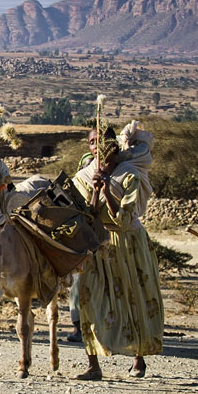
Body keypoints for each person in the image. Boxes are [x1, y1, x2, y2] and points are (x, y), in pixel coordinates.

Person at [72, 125, 163, 380]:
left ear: (114, 146)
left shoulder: (129, 175)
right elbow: (86, 216)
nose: (97, 148)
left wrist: (106, 191)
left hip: (127, 243)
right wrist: (94, 192)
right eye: (92, 143)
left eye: (102, 142)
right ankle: (93, 364)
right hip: (98, 244)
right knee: (89, 299)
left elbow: (124, 219)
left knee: (133, 297)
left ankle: (138, 358)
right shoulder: (83, 177)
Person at [66, 149, 94, 343]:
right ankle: (78, 327)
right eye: (87, 165)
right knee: (77, 287)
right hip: (80, 243)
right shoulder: (75, 187)